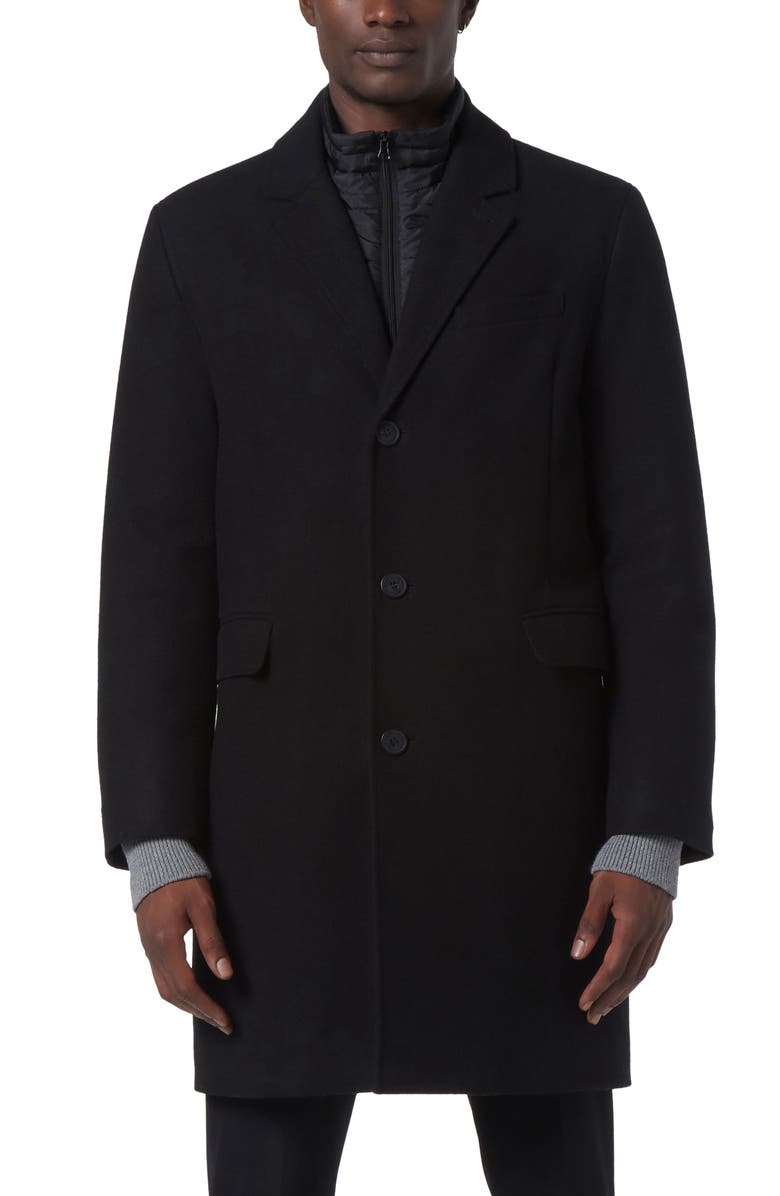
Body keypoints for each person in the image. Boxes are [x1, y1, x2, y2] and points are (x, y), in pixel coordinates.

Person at [97, 2, 716, 1193]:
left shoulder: (592, 227)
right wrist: (158, 839)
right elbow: (154, 562)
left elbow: (659, 555)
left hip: (536, 832)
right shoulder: (198, 237)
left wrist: (649, 832)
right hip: (276, 838)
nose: (387, 7)